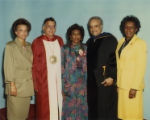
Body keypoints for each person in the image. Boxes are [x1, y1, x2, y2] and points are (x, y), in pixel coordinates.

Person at [32, 17, 64, 120]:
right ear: (43, 28)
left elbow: (64, 60)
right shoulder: (37, 42)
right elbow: (34, 65)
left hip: (58, 81)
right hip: (44, 82)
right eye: (48, 26)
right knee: (44, 110)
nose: (51, 29)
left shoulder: (59, 40)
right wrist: (36, 84)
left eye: (53, 26)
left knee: (59, 105)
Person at [116, 15, 147, 120]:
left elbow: (140, 67)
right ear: (123, 28)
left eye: (131, 27)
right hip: (122, 85)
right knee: (123, 114)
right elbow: (119, 64)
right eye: (126, 27)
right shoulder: (120, 42)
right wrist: (118, 83)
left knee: (133, 115)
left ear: (136, 29)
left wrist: (134, 87)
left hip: (132, 87)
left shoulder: (140, 43)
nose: (128, 30)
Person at [86, 16, 118, 120]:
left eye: (96, 26)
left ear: (101, 26)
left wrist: (112, 77)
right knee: (93, 108)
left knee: (105, 109)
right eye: (90, 27)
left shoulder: (110, 39)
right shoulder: (89, 42)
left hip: (105, 81)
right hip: (91, 83)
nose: (93, 29)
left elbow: (115, 60)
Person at [4, 18, 34, 120]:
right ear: (16, 32)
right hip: (16, 86)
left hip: (27, 86)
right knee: (14, 116)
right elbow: (8, 66)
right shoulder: (10, 46)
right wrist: (12, 85)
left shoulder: (30, 46)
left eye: (26, 30)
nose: (24, 33)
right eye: (21, 30)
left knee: (24, 115)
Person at [61, 24, 88, 120]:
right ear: (70, 36)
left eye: (78, 34)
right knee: (69, 109)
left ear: (81, 36)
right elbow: (61, 68)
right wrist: (63, 86)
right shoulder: (64, 49)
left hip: (83, 85)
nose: (76, 36)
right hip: (69, 85)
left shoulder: (86, 48)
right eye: (73, 34)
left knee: (82, 109)